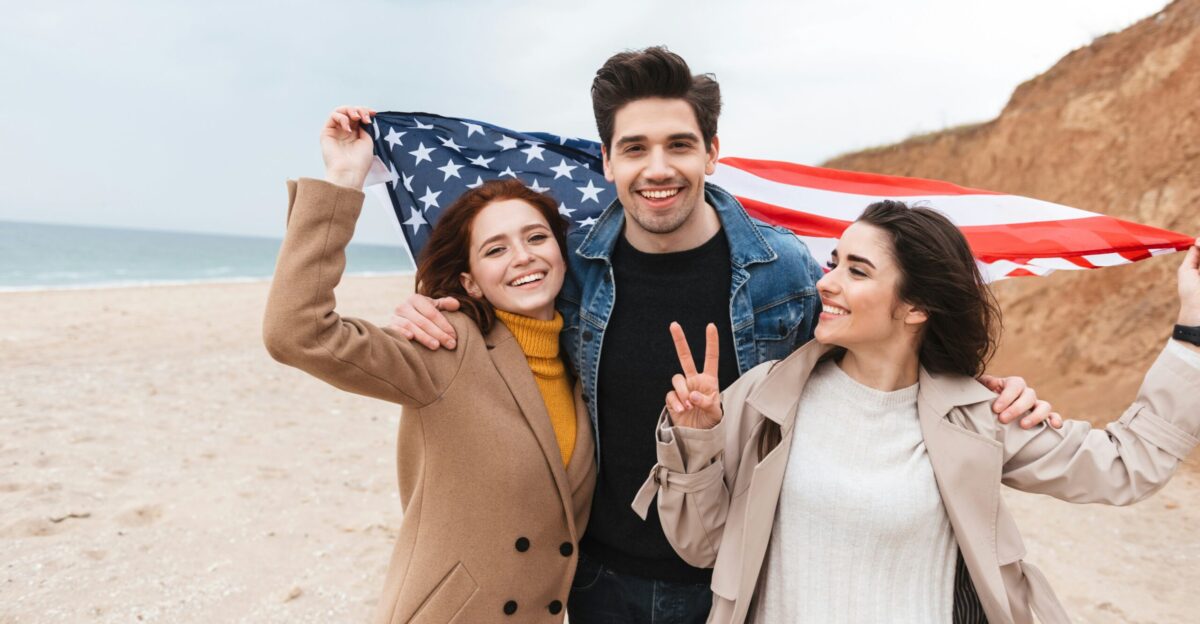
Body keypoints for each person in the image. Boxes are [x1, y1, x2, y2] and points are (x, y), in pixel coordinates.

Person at [388, 47, 1057, 623]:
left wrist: (986, 391)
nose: (658, 168)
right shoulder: (574, 270)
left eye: (679, 145)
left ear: (711, 152)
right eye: (635, 149)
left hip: (737, 580)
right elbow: (504, 324)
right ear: (607, 161)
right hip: (594, 581)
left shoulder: (787, 271)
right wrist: (433, 309)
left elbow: (879, 367)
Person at [637, 200, 1200, 623]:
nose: (825, 282)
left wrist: (1191, 332)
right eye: (833, 262)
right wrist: (697, 441)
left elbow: (1127, 466)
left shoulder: (981, 415)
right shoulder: (766, 397)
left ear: (916, 306)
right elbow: (701, 547)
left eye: (856, 271)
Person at [262, 107, 595, 623]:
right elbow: (295, 331)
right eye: (495, 249)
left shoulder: (582, 358)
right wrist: (344, 180)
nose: (523, 257)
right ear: (469, 282)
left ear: (560, 250)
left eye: (535, 238)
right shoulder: (446, 344)